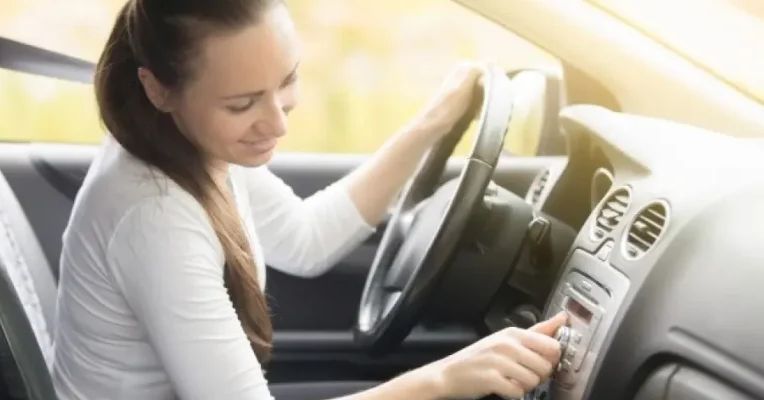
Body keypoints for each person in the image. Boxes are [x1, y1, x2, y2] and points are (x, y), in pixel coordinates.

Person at [49, 0, 569, 399]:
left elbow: (307, 239)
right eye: (242, 103)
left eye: (288, 81)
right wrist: (446, 378)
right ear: (158, 89)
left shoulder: (192, 142)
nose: (277, 122)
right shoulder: (153, 217)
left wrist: (435, 122)